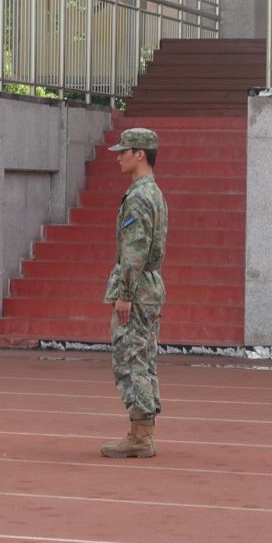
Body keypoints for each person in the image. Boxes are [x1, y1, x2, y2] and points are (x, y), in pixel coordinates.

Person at [100, 128, 169, 459]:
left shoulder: (139, 197)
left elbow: (135, 250)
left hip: (137, 287)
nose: (119, 157)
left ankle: (141, 436)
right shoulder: (154, 192)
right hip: (150, 285)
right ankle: (143, 430)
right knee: (145, 358)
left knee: (130, 359)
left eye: (124, 151)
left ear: (140, 154)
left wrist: (125, 293)